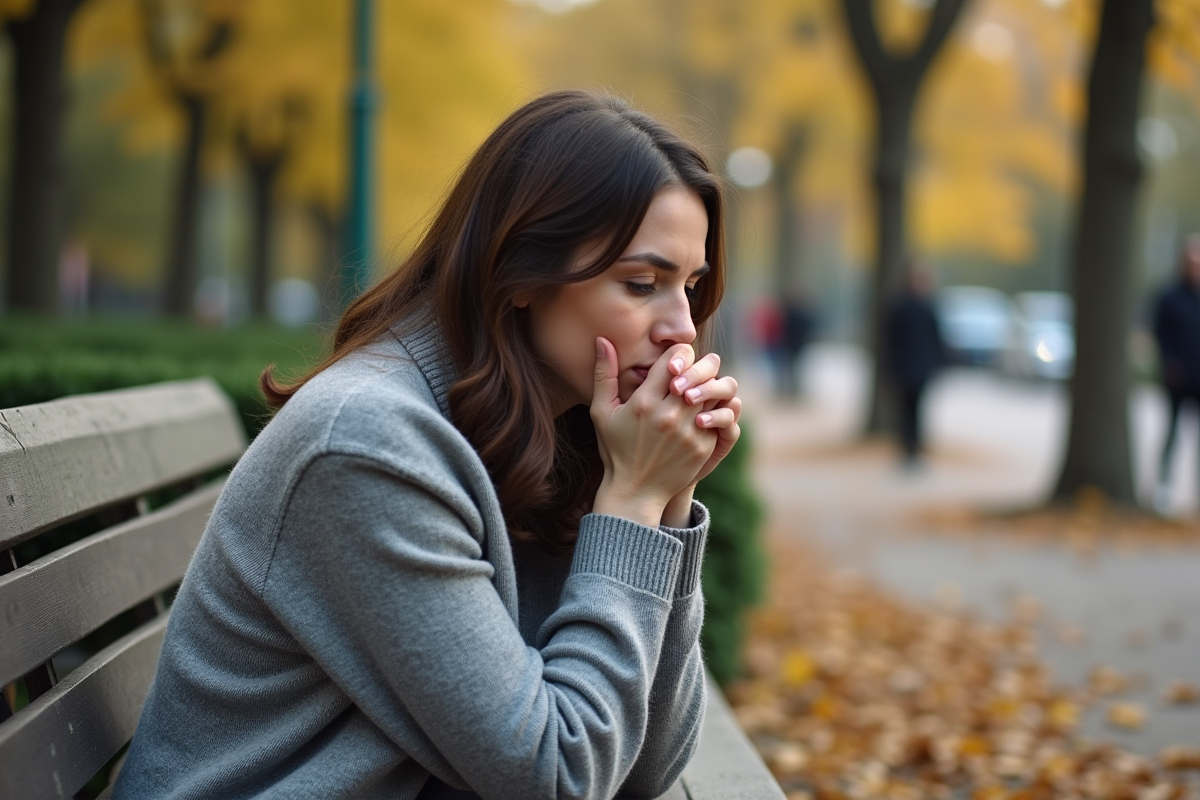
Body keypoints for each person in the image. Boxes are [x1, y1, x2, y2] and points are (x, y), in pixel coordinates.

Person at [114, 91, 742, 800]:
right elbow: (562, 779)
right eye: (641, 283)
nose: (683, 329)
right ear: (522, 274)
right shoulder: (366, 445)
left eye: (689, 287)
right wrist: (633, 502)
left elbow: (641, 772)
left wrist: (668, 503)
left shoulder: (555, 430)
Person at [1153, 234, 1200, 513]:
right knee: (1171, 433)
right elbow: (1161, 335)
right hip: (1178, 379)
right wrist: (1169, 363)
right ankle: (1164, 489)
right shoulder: (1170, 297)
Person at [886, 264, 943, 467]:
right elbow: (891, 341)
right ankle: (907, 447)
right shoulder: (901, 308)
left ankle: (915, 448)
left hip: (922, 369)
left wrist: (937, 365)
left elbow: (937, 340)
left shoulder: (929, 308)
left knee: (918, 410)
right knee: (905, 411)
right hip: (905, 368)